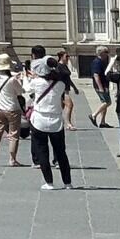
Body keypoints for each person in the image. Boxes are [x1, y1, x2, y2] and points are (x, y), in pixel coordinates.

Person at [24, 54, 76, 190]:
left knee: (42, 152)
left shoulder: (36, 83)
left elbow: (26, 88)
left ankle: (49, 182)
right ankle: (67, 182)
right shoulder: (60, 84)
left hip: (39, 119)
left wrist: (26, 76)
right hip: (56, 121)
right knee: (61, 152)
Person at [0, 55, 26, 167]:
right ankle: (12, 159)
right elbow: (20, 92)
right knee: (14, 134)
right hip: (12, 108)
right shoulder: (12, 80)